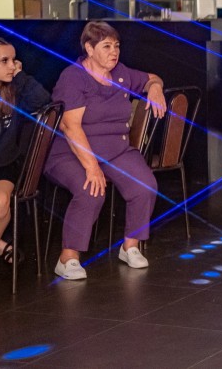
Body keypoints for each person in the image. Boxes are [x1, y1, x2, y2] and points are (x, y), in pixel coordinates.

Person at [45, 21, 167, 280]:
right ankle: (67, 258)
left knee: (145, 185)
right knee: (91, 190)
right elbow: (70, 126)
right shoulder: (73, 77)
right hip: (71, 152)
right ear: (89, 49)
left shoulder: (121, 73)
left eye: (117, 46)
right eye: (107, 46)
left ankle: (130, 246)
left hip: (116, 150)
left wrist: (155, 87)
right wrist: (92, 167)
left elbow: (151, 78)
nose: (114, 52)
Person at [0, 39, 50, 266]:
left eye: (14, 60)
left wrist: (19, 75)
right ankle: (0, 244)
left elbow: (43, 100)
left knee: (0, 203)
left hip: (4, 165)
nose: (12, 65)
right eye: (4, 61)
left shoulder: (14, 91)